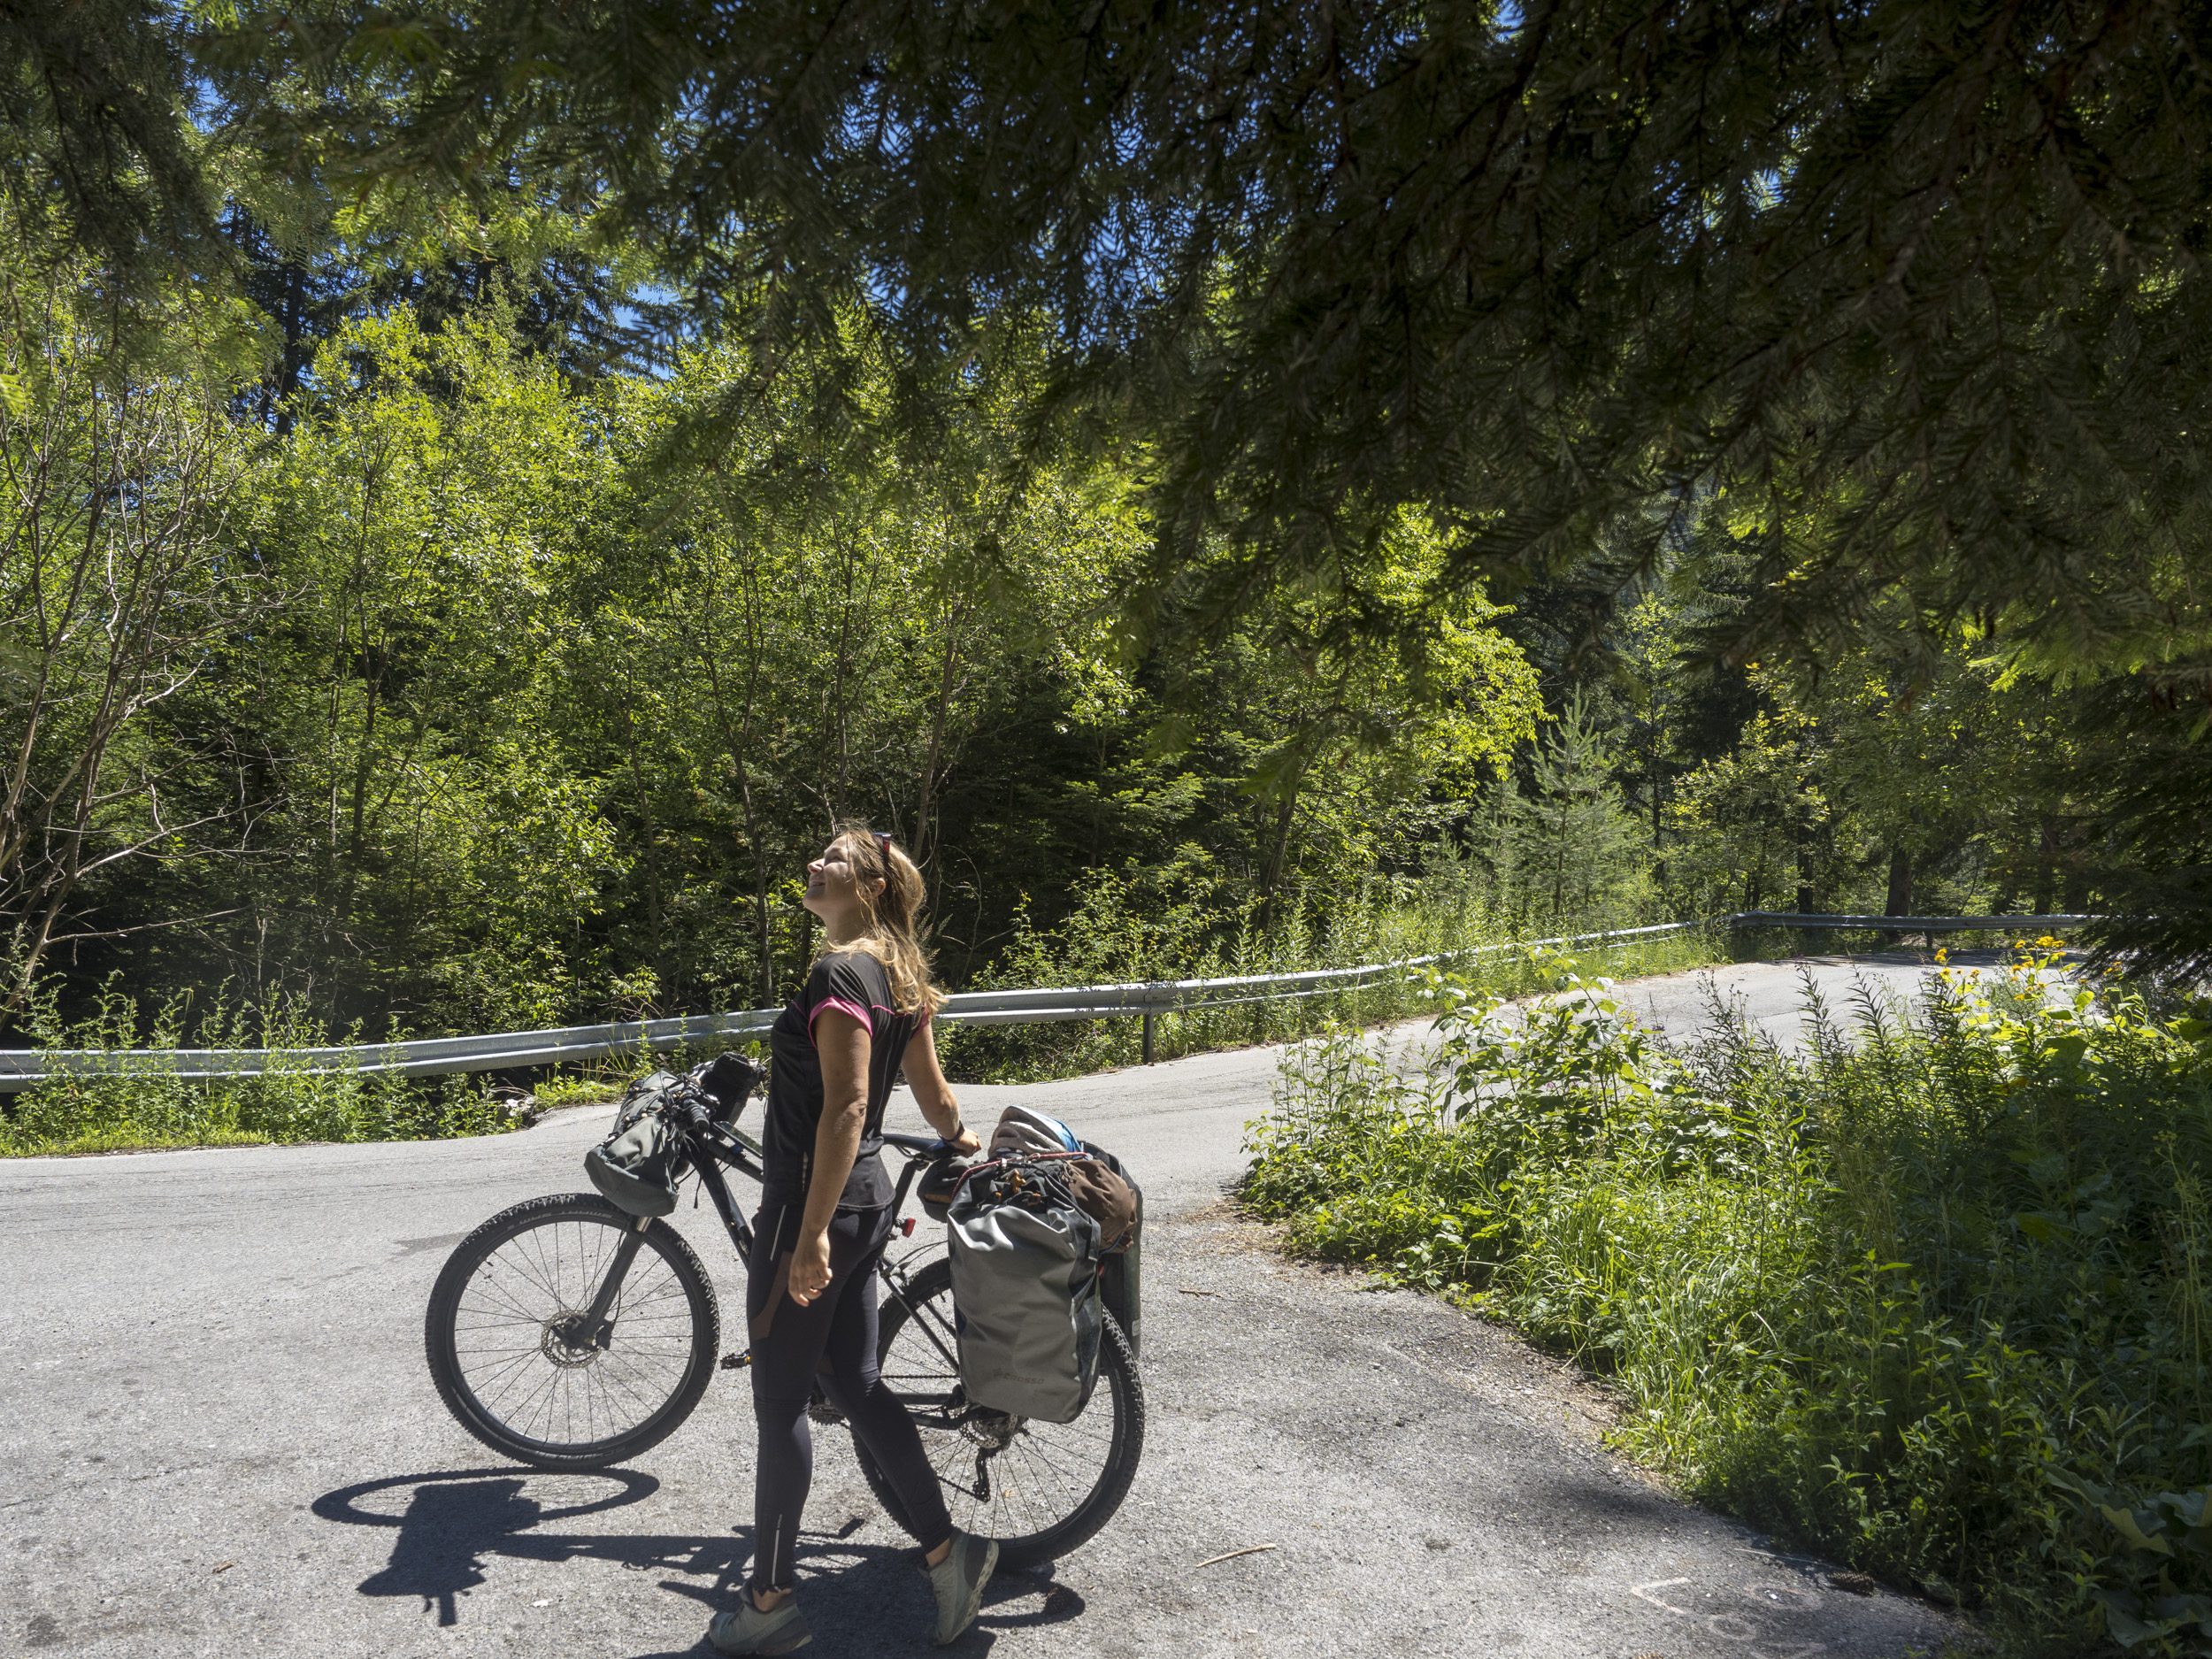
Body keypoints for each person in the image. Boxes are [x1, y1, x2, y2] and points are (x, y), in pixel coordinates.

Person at [708, 824, 995, 1655]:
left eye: (832, 858)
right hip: (865, 1204)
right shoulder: (898, 972)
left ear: (868, 886)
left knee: (781, 1398)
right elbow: (935, 1096)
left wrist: (806, 1237)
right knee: (858, 1382)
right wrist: (961, 1136)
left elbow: (848, 1106)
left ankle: (769, 1602)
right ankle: (949, 1554)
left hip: (817, 1206)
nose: (814, 863)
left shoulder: (839, 971)